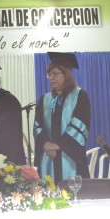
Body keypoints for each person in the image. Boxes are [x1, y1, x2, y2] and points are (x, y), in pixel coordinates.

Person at [33, 52, 90, 184]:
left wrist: (57, 146)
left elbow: (79, 124)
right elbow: (37, 125)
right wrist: (47, 144)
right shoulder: (45, 99)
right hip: (48, 157)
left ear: (66, 74)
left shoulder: (79, 96)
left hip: (70, 156)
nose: (51, 78)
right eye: (49, 75)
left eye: (55, 74)